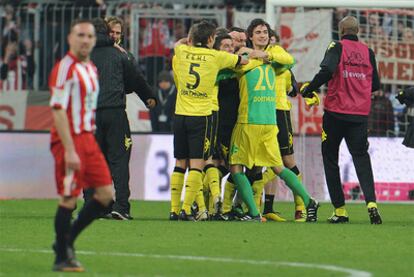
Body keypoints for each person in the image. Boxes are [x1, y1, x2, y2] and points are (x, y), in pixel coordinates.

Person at [228, 18, 320, 222]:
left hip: (250, 121)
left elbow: (289, 60)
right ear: (250, 36)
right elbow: (288, 61)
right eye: (258, 32)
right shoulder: (273, 63)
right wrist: (260, 55)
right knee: (278, 167)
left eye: (265, 32)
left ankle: (252, 213)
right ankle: (308, 201)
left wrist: (261, 54)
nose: (262, 35)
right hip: (268, 122)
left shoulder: (256, 60)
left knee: (236, 166)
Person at [301, 16, 382, 224]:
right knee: (361, 157)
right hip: (360, 116)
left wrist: (309, 88)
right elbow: (375, 85)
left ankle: (340, 210)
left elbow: (327, 70)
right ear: (358, 30)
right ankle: (371, 203)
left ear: (340, 30)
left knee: (330, 158)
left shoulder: (336, 46)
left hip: (336, 112)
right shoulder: (368, 52)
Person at [49, 19, 113, 272]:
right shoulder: (65, 67)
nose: (85, 40)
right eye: (80, 35)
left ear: (94, 40)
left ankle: (64, 242)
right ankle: (61, 257)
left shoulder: (90, 67)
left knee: (106, 195)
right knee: (69, 198)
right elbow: (57, 110)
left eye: (89, 36)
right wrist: (70, 149)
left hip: (88, 137)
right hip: (69, 140)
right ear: (70, 39)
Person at [169, 21, 246, 221]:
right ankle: (187, 208)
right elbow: (242, 61)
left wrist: (188, 40)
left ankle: (174, 209)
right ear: (212, 39)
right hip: (202, 115)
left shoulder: (182, 52)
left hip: (180, 114)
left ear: (192, 38)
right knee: (198, 163)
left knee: (180, 162)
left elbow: (177, 44)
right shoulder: (216, 56)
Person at [86, 18, 156, 220]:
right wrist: (149, 97)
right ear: (109, 34)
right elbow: (134, 80)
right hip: (115, 112)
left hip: (90, 115)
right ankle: (121, 207)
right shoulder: (120, 55)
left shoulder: (83, 55)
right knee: (119, 161)